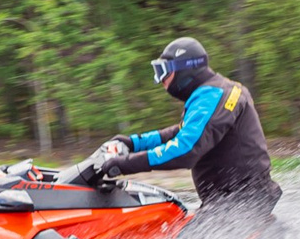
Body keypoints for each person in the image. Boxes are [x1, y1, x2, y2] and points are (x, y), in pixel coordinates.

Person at [82, 37, 281, 225]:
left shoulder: (213, 95)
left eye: (164, 72)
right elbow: (180, 132)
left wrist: (123, 165)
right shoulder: (217, 90)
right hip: (235, 198)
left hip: (240, 202)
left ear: (186, 70)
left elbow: (186, 150)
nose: (161, 81)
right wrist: (133, 143)